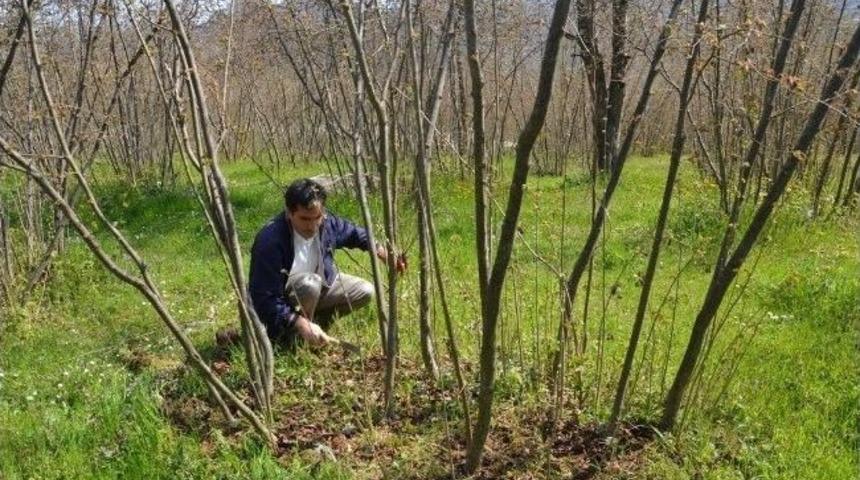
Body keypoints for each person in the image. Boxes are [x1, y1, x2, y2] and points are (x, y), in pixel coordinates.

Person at [249, 178, 403, 347]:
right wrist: (298, 321)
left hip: (318, 290)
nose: (312, 225)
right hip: (286, 300)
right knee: (310, 284)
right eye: (305, 219)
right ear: (289, 212)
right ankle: (289, 336)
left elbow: (355, 234)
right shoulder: (270, 241)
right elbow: (265, 299)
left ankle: (315, 328)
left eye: (317, 217)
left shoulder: (326, 224)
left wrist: (383, 253)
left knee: (364, 291)